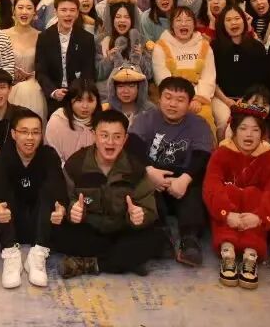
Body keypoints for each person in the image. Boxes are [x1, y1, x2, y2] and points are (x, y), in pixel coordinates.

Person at [55, 109, 167, 279]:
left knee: (154, 238)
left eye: (117, 136)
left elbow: (149, 208)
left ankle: (91, 264)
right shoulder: (76, 164)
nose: (110, 142)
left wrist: (139, 216)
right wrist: (73, 212)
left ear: (125, 139)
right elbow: (63, 201)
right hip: (90, 230)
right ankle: (124, 261)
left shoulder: (135, 168)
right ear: (94, 135)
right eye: (104, 135)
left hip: (122, 229)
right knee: (59, 234)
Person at [128, 76, 213, 267]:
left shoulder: (199, 124)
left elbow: (202, 155)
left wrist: (185, 179)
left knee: (195, 191)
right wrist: (149, 171)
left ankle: (189, 239)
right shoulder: (146, 119)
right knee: (143, 187)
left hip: (183, 177)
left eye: (180, 100)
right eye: (168, 97)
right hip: (153, 174)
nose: (172, 104)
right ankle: (161, 235)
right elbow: (133, 146)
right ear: (159, 99)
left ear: (189, 103)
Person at [202, 103, 270, 289]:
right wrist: (226, 214)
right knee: (228, 190)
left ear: (262, 133)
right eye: (243, 128)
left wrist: (260, 217)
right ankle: (228, 252)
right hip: (228, 214)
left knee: (254, 193)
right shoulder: (222, 153)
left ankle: (250, 255)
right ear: (234, 131)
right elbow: (211, 186)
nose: (249, 134)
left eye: (255, 130)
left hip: (254, 216)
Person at [0, 107, 65, 288]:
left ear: (41, 135)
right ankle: (10, 255)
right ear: (14, 134)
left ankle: (37, 255)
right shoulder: (3, 155)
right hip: (11, 222)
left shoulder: (49, 155)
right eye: (24, 132)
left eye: (35, 132)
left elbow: (59, 188)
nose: (30, 138)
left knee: (48, 191)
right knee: (3, 199)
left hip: (40, 224)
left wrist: (61, 209)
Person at [152, 7, 221, 135]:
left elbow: (209, 77)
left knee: (205, 120)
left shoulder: (204, 46)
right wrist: (181, 100)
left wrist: (197, 99)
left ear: (194, 24)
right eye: (179, 20)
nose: (183, 24)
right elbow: (162, 78)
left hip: (199, 99)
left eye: (188, 20)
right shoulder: (161, 46)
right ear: (172, 25)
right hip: (172, 99)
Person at [35, 0, 96, 114]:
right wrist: (53, 92)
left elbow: (89, 71)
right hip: (53, 94)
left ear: (77, 13)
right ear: (55, 12)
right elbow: (41, 72)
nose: (68, 14)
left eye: (72, 10)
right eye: (63, 10)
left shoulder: (86, 38)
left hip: (78, 95)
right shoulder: (44, 37)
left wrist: (78, 92)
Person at [211, 5, 267, 105]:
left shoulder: (257, 47)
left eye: (237, 18)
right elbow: (211, 79)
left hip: (250, 99)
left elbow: (261, 80)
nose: (233, 22)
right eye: (228, 20)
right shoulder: (215, 47)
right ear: (222, 24)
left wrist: (246, 99)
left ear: (244, 21)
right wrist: (226, 100)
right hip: (221, 98)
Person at [4, 0, 44, 120]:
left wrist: (31, 75)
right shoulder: (2, 35)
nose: (24, 12)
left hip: (32, 86)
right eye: (20, 7)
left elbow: (46, 66)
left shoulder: (42, 36)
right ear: (14, 11)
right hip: (7, 85)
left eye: (29, 8)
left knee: (28, 89)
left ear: (34, 12)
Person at [45, 79, 102, 165]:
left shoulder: (102, 122)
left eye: (90, 101)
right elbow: (52, 158)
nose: (85, 106)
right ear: (70, 100)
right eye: (79, 100)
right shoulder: (57, 121)